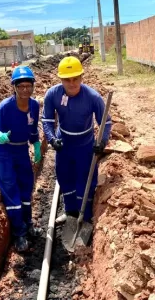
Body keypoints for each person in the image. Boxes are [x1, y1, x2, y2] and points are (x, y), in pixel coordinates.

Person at [41, 56, 112, 224]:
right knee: (65, 177)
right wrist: (51, 139)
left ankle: (85, 217)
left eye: (75, 78)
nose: (72, 83)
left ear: (82, 77)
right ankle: (71, 212)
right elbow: (47, 120)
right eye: (67, 80)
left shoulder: (92, 97)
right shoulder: (53, 95)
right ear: (60, 79)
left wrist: (102, 141)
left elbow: (105, 121)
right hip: (64, 144)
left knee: (85, 180)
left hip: (85, 145)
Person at [0, 66, 43, 252]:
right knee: (11, 191)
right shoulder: (5, 107)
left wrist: (36, 144)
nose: (25, 90)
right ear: (14, 87)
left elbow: (33, 129)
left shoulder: (35, 106)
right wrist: (0, 136)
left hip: (21, 150)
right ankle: (19, 234)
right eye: (21, 86)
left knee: (26, 187)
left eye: (29, 85)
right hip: (4, 153)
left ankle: (28, 224)